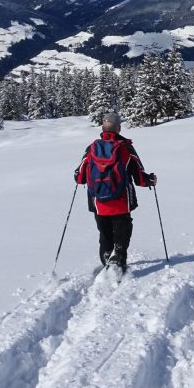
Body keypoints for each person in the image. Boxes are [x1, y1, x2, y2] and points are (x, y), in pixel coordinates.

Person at [75, 112, 156, 272]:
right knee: (122, 231)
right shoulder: (126, 148)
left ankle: (107, 260)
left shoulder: (92, 148)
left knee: (104, 234)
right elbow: (139, 177)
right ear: (118, 128)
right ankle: (118, 260)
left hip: (98, 202)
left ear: (103, 127)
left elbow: (80, 177)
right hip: (121, 201)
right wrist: (151, 180)